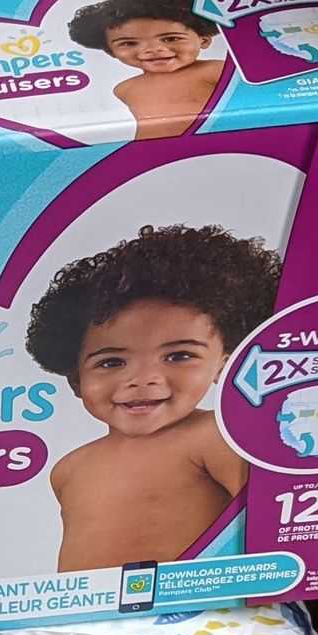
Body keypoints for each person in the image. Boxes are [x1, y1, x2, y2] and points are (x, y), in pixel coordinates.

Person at [26, 224, 280, 571]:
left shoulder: (214, 436)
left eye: (179, 356)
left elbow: (274, 520)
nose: (143, 380)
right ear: (76, 380)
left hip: (195, 612)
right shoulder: (69, 468)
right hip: (85, 616)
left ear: (226, 364)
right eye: (111, 362)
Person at [69, 0, 227, 136]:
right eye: (129, 43)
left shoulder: (213, 69)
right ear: (111, 51)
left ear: (204, 40)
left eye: (171, 38)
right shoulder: (124, 88)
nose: (152, 49)